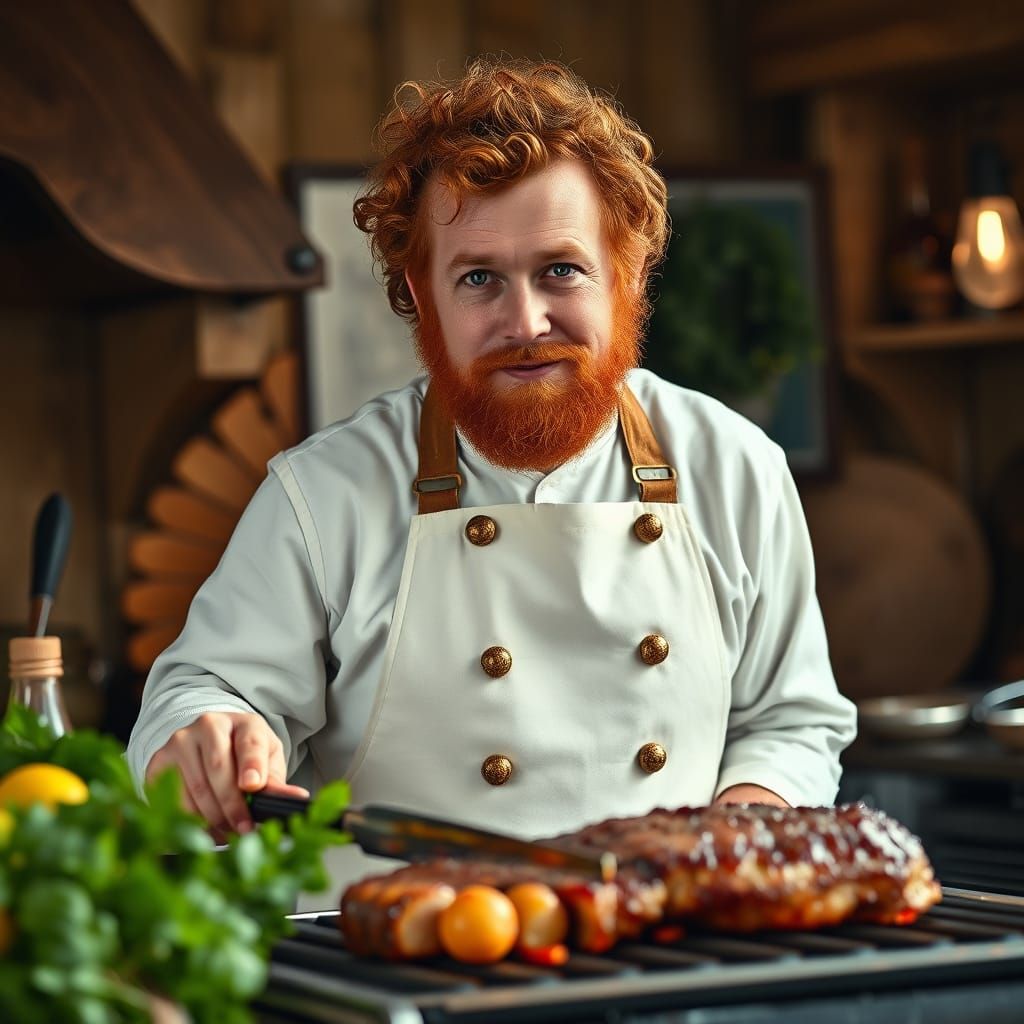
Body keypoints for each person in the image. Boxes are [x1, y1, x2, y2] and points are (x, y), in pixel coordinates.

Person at [127, 59, 855, 863]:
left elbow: (791, 721)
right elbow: (202, 693)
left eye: (561, 271)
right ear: (422, 292)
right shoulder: (323, 494)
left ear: (628, 273)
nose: (527, 320)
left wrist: (735, 832)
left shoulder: (735, 467)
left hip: (666, 946)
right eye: (479, 278)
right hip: (405, 951)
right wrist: (211, 736)